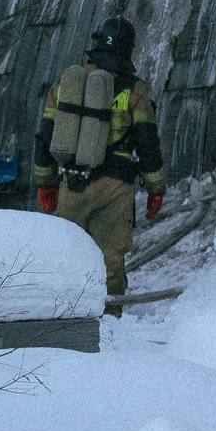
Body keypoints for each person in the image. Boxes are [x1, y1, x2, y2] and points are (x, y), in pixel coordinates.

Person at [34, 17, 166, 316]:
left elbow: (44, 136)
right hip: (115, 187)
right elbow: (148, 142)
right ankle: (109, 326)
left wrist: (46, 184)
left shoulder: (68, 84)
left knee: (64, 257)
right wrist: (156, 189)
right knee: (110, 261)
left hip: (72, 182)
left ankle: (60, 318)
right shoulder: (134, 90)